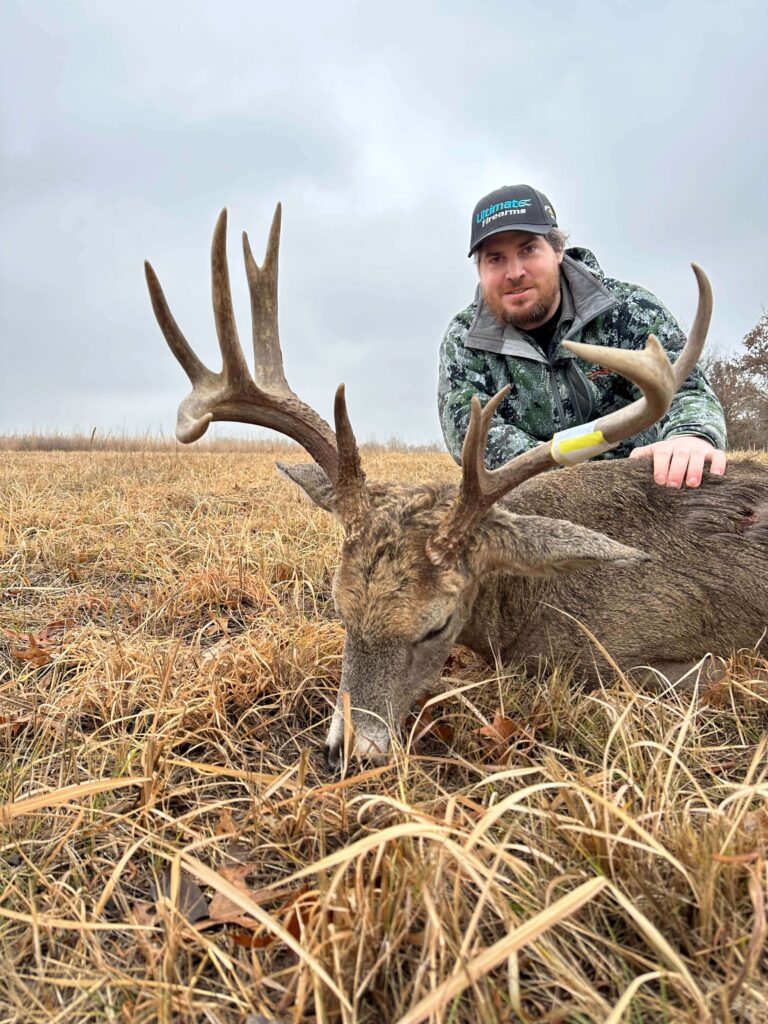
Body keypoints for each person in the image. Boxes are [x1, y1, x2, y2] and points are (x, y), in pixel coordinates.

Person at [437, 184, 727, 488]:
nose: (514, 272)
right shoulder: (465, 340)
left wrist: (689, 435)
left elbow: (685, 387)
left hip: (641, 489)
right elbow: (470, 430)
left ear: (558, 249)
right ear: (480, 269)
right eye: (495, 259)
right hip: (534, 495)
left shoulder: (629, 309)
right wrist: (567, 483)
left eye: (528, 250)